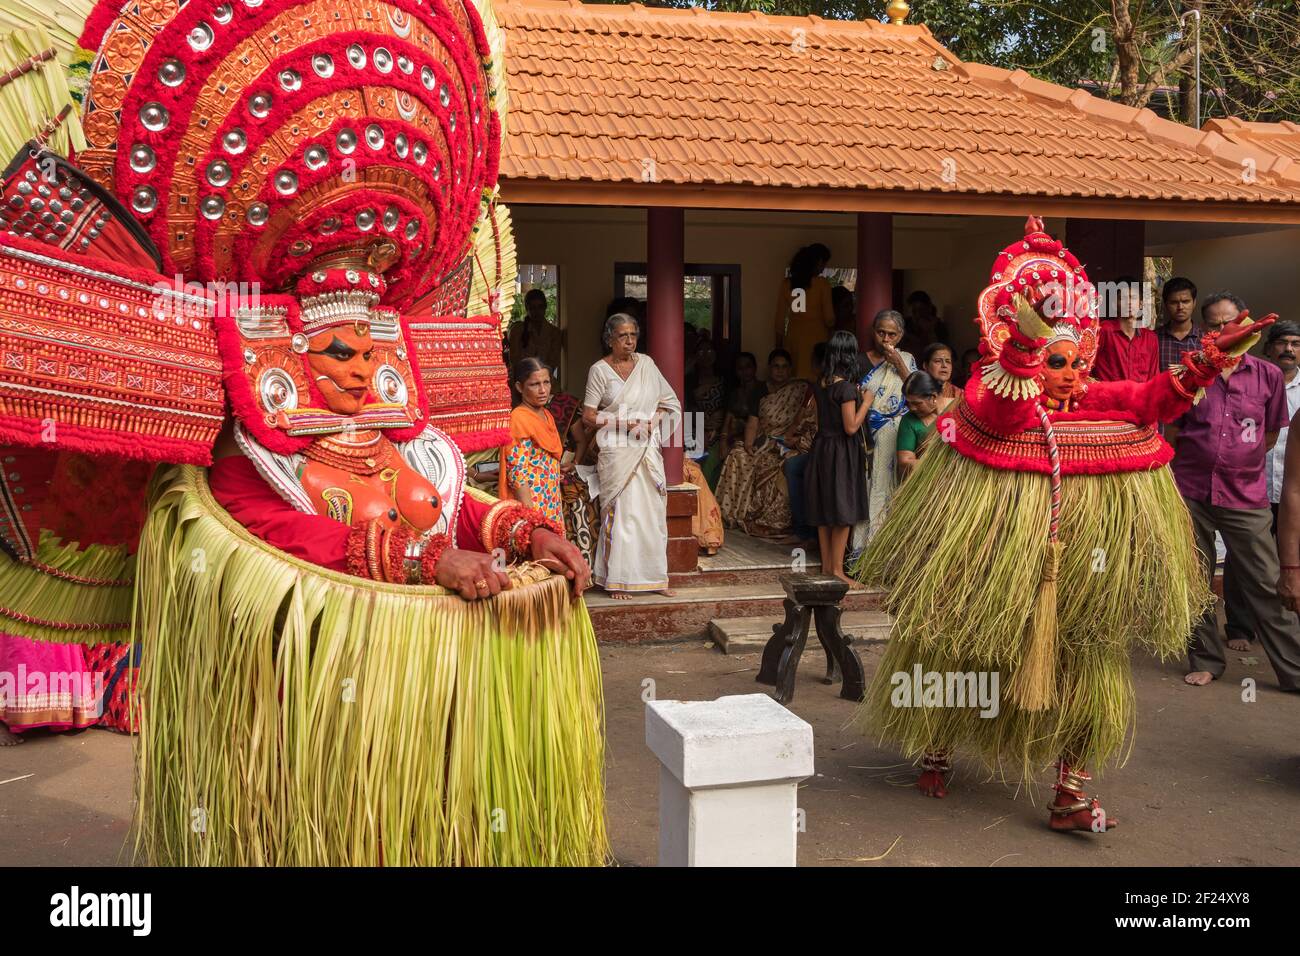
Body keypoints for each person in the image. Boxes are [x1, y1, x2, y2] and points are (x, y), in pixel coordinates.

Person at [0, 0, 607, 866]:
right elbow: (286, 537)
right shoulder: (255, 460)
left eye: (370, 351)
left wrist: (527, 529)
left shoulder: (405, 440)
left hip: (430, 700)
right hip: (310, 713)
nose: (360, 370)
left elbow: (443, 506)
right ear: (287, 351)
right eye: (335, 353)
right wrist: (421, 564)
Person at [853, 218, 1268, 832]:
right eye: (1056, 361)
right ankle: (936, 743)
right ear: (1027, 357)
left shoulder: (1096, 398)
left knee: (1086, 660)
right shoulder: (996, 396)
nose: (1071, 372)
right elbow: (1002, 408)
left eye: (1076, 360)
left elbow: (1151, 398)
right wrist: (1022, 347)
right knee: (962, 644)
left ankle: (1070, 794)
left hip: (1077, 565)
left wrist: (1209, 359)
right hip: (997, 557)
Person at [1167, 293, 1300, 692]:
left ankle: (1294, 669)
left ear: (1250, 330)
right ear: (1204, 333)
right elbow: (1173, 429)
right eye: (1214, 325)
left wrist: (1238, 462)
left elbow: (1272, 432)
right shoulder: (1190, 374)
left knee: (1265, 581)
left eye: (1233, 323)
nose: (1225, 331)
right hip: (1191, 492)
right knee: (1195, 581)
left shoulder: (1268, 376)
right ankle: (1206, 659)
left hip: (1245, 495)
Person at [583, 314, 681, 598]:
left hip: (646, 447)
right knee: (623, 514)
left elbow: (668, 402)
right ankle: (618, 579)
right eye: (622, 336)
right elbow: (589, 417)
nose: (629, 341)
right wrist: (623, 424)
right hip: (616, 449)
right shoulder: (599, 370)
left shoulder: (647, 364)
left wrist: (652, 422)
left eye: (633, 336)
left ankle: (654, 579)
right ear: (609, 339)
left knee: (651, 513)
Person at [715, 349, 816, 537]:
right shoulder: (760, 390)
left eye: (784, 367)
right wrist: (748, 444)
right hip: (763, 440)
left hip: (786, 443)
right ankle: (732, 513)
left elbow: (802, 420)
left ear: (790, 369)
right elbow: (753, 421)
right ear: (769, 368)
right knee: (737, 455)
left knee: (772, 465)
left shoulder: (800, 390)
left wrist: (789, 439)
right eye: (776, 366)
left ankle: (769, 518)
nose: (780, 371)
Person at [805, 331, 872, 586]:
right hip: (841, 451)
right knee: (844, 511)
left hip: (822, 447)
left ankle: (826, 567)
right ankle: (837, 572)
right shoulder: (845, 388)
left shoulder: (822, 383)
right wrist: (865, 401)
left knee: (825, 511)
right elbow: (851, 427)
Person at [855, 309, 916, 547]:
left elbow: (914, 393)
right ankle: (861, 552)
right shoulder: (860, 361)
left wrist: (899, 364)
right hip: (864, 439)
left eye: (892, 334)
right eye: (881, 333)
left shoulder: (907, 360)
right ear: (873, 332)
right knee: (867, 492)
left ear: (900, 336)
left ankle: (883, 550)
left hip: (896, 441)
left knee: (891, 493)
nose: (886, 339)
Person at [500, 358, 565, 527]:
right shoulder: (519, 418)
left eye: (546, 382)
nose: (543, 390)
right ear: (520, 387)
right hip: (532, 505)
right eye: (534, 384)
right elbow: (517, 475)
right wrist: (532, 520)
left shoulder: (546, 415)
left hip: (551, 500)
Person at [773, 244, 835, 380]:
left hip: (793, 338)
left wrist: (778, 348)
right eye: (824, 263)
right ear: (818, 262)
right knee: (816, 378)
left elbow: (779, 320)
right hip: (817, 338)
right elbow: (829, 318)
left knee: (795, 378)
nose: (823, 268)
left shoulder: (786, 284)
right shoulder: (822, 284)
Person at [1092, 275, 1158, 382]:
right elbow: (1087, 366)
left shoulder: (1150, 338)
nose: (1129, 302)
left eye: (1134, 298)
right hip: (1109, 396)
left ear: (1141, 304)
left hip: (1140, 397)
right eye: (1123, 298)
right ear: (1114, 304)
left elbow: (1153, 378)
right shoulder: (1104, 330)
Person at [894, 371, 943, 480]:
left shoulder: (953, 412)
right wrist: (938, 467)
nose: (912, 408)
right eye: (908, 403)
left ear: (933, 397)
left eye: (917, 403)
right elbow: (905, 461)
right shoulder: (909, 420)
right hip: (926, 480)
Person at [508, 288, 562, 378]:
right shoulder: (517, 330)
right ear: (526, 308)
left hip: (545, 379)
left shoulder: (554, 333)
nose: (536, 311)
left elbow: (553, 363)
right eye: (532, 308)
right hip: (521, 379)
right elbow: (514, 361)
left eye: (540, 307)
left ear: (545, 307)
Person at [1156, 276, 1201, 371]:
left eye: (1185, 301)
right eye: (1174, 302)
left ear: (1194, 303)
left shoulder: (1205, 340)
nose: (1180, 307)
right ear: (1166, 304)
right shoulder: (1154, 339)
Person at [901, 290, 948, 356]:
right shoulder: (904, 324)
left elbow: (940, 351)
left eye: (921, 310)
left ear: (928, 309)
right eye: (914, 311)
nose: (917, 315)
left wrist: (930, 331)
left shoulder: (938, 326)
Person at [920, 342, 961, 407]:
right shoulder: (917, 392)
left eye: (948, 361)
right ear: (925, 366)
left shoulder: (960, 395)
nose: (944, 365)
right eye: (938, 361)